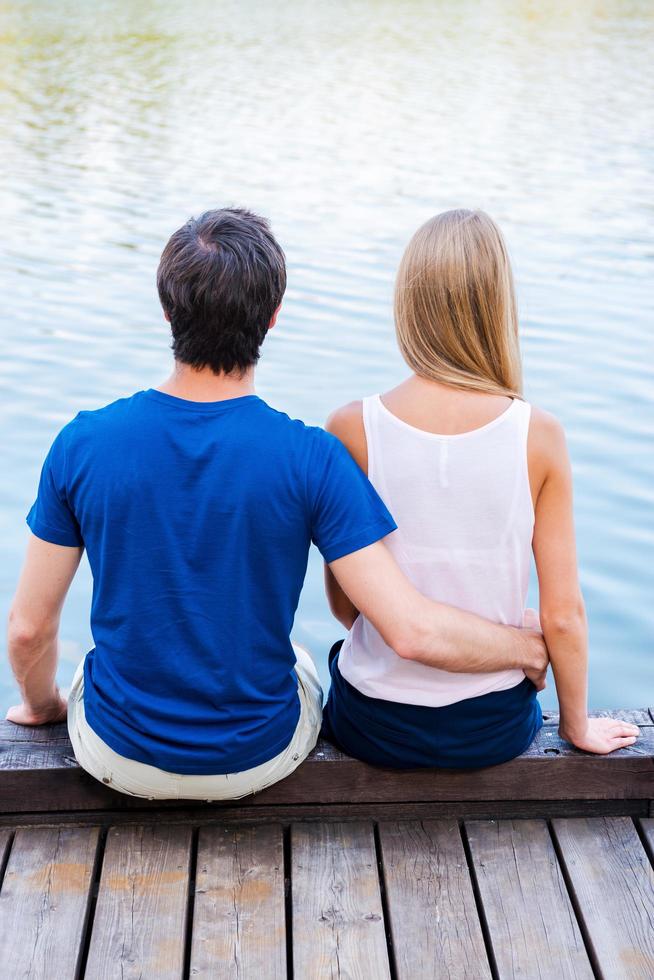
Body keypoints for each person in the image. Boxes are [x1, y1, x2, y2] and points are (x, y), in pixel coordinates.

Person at [7, 208, 548, 802]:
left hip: (118, 755)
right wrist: (524, 646)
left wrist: (43, 706)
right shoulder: (312, 458)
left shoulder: (82, 444)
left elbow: (29, 630)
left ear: (167, 310)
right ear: (273, 316)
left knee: (92, 665)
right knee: (297, 658)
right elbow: (411, 630)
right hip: (257, 759)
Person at [322, 208, 640, 768]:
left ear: (409, 306)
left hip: (374, 723)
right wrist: (575, 722)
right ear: (497, 308)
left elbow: (348, 609)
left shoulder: (352, 427)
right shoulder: (539, 434)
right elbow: (563, 614)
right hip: (489, 728)